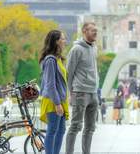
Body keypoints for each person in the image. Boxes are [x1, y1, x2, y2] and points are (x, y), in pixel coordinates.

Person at [66, 22, 99, 154]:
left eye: (96, 30)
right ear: (84, 31)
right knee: (75, 126)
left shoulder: (93, 48)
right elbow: (69, 73)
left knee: (90, 128)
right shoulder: (76, 49)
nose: (96, 32)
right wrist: (70, 93)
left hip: (93, 93)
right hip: (80, 92)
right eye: (93, 30)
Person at [39, 30, 69, 154]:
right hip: (53, 101)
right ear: (56, 42)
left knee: (61, 130)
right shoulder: (50, 60)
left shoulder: (58, 59)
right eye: (62, 39)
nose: (64, 41)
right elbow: (50, 85)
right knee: (52, 130)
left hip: (60, 99)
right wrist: (57, 104)